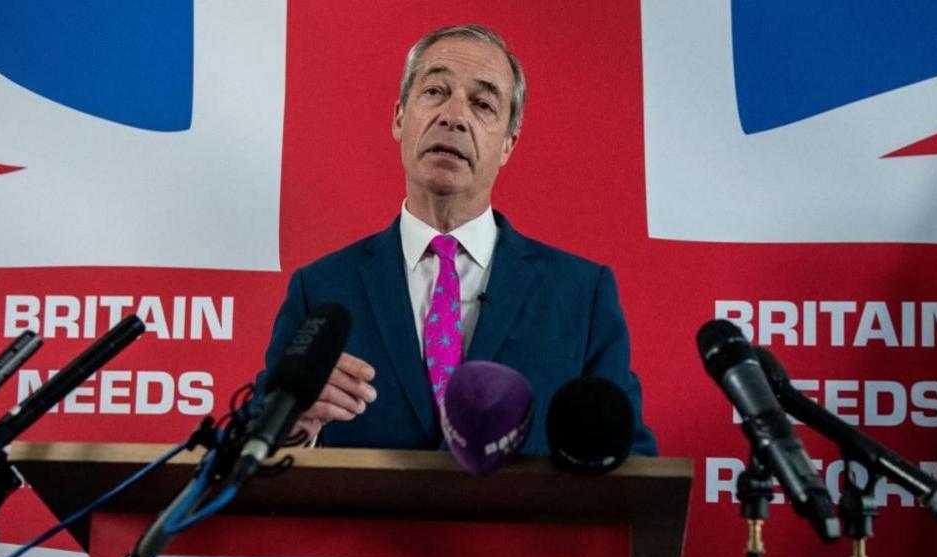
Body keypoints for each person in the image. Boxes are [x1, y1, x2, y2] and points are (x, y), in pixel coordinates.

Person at [256, 24, 656, 455]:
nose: (453, 116)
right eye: (434, 92)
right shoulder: (320, 291)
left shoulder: (580, 295)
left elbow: (631, 460)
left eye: (482, 103)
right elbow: (253, 445)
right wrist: (297, 426)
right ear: (399, 117)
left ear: (507, 144)